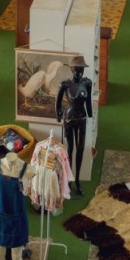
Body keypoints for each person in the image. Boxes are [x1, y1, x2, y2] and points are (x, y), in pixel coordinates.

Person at [55, 55, 93, 196]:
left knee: (81, 149)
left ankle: (77, 180)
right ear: (71, 69)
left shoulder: (87, 83)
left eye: (81, 69)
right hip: (69, 120)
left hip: (82, 118)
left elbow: (88, 101)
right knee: (70, 149)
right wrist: (58, 116)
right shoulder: (65, 84)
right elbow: (58, 103)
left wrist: (90, 115)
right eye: (76, 69)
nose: (79, 72)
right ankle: (69, 180)